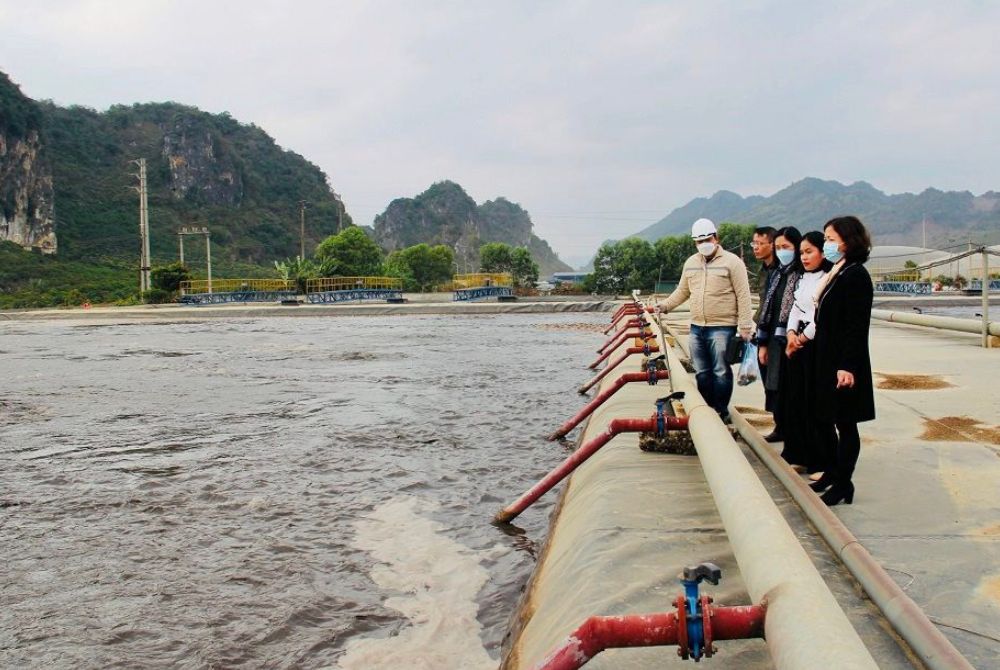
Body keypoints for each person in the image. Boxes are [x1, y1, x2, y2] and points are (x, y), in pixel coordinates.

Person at [656, 218, 753, 421]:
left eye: (707, 239)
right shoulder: (691, 263)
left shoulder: (732, 262)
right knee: (702, 372)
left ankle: (721, 411)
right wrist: (665, 306)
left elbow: (743, 295)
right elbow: (682, 291)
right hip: (697, 327)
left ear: (716, 238)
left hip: (722, 327)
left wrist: (745, 325)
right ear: (695, 243)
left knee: (720, 371)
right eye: (699, 242)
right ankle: (708, 411)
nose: (704, 244)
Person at [809, 216, 875, 506]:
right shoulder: (838, 270)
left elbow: (856, 326)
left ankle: (844, 483)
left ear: (848, 241)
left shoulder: (856, 275)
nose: (827, 244)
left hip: (844, 362)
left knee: (846, 423)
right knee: (825, 416)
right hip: (826, 357)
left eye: (831, 239)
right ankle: (832, 472)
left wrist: (847, 365)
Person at [782, 231, 833, 473]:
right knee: (796, 400)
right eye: (801, 252)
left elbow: (819, 317)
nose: (804, 257)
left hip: (813, 344)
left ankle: (821, 459)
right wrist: (791, 334)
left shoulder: (828, 278)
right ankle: (799, 454)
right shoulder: (802, 278)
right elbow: (796, 308)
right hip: (797, 343)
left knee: (815, 403)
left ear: (822, 252)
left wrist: (800, 339)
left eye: (809, 251)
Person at [755, 227, 802, 445]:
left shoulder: (800, 275)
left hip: (792, 340)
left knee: (789, 390)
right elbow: (767, 306)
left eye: (787, 247)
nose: (782, 251)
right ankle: (781, 427)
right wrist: (762, 342)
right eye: (779, 247)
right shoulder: (775, 274)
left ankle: (794, 435)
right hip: (772, 336)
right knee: (772, 385)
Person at [751, 226, 781, 440]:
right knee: (769, 383)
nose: (756, 248)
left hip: (776, 335)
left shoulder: (782, 271)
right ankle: (780, 425)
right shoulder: (764, 270)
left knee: (778, 382)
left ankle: (786, 426)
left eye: (761, 244)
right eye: (754, 243)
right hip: (763, 333)